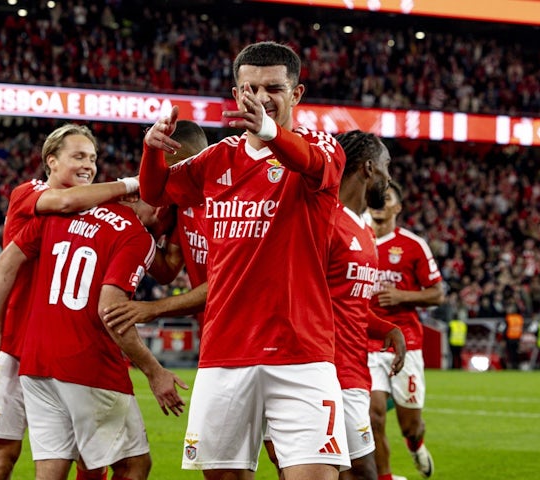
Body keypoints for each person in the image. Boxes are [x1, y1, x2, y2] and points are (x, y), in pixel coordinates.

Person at [139, 41, 350, 480]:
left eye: (274, 87)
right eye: (249, 87)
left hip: (301, 354)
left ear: (297, 94)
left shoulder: (321, 147)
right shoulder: (218, 158)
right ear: (236, 95)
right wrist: (151, 151)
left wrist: (272, 135)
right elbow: (155, 193)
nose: (261, 97)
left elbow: (310, 162)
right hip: (225, 352)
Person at [0, 190, 187, 480]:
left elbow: (8, 257)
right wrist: (154, 372)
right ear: (160, 211)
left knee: (51, 469)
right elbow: (110, 310)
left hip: (34, 361)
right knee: (133, 465)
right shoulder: (136, 236)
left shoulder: (64, 211)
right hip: (86, 360)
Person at [0, 123, 143, 480]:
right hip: (17, 345)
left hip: (60, 350)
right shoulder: (29, 193)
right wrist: (129, 184)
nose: (88, 165)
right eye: (78, 156)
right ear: (51, 161)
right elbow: (62, 203)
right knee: (2, 454)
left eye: (93, 158)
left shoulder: (91, 209)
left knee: (86, 457)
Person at [263, 130, 407, 480]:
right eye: (387, 167)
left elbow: (347, 303)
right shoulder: (324, 221)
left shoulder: (364, 230)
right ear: (369, 168)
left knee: (338, 470)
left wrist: (386, 328)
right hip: (322, 368)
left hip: (352, 368)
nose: (390, 178)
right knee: (354, 470)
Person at [367, 180, 445, 480]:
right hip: (368, 341)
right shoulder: (355, 238)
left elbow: (437, 294)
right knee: (373, 414)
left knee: (409, 425)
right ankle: (385, 477)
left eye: (386, 198)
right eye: (376, 197)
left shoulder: (413, 245)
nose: (379, 202)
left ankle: (415, 445)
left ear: (397, 207)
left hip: (406, 343)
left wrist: (403, 296)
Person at [103, 120, 209, 334]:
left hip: (257, 329)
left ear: (197, 159)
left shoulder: (230, 203)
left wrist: (154, 308)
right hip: (212, 329)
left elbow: (228, 283)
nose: (164, 180)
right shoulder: (181, 205)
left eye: (171, 169)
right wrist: (135, 228)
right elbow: (168, 269)